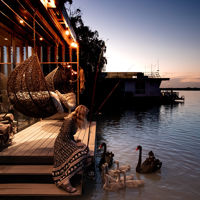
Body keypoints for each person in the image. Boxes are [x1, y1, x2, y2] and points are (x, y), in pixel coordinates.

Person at [52, 105, 89, 193]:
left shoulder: (74, 120)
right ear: (81, 114)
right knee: (80, 153)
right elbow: (65, 137)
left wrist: (76, 142)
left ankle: (78, 168)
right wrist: (76, 145)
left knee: (85, 148)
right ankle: (65, 181)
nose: (86, 117)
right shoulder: (69, 120)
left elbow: (69, 136)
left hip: (68, 141)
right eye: (85, 115)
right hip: (62, 144)